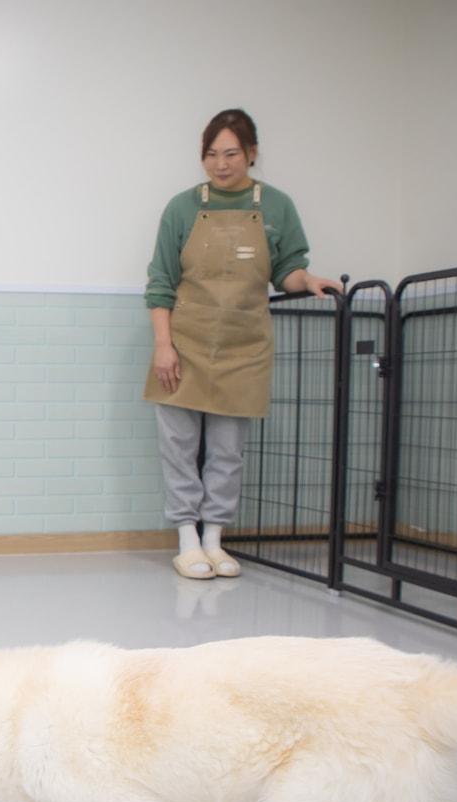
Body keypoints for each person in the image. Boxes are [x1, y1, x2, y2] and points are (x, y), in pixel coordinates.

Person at [143, 109, 341, 580]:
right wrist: (163, 345)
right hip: (185, 342)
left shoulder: (276, 206)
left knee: (228, 451)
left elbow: (287, 269)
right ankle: (187, 540)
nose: (220, 163)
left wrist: (307, 279)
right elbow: (160, 283)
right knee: (179, 445)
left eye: (231, 153)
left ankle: (214, 538)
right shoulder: (182, 208)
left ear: (252, 153)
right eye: (211, 154)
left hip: (243, 345)